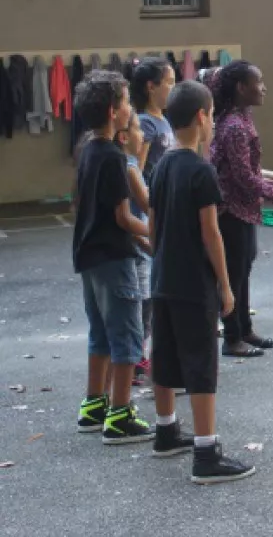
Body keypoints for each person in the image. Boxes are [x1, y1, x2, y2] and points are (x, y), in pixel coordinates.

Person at [149, 79, 256, 484]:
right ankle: (206, 453)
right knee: (201, 363)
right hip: (194, 284)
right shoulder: (201, 170)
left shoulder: (160, 167)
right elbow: (211, 233)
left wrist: (160, 261)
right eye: (211, 114)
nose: (212, 121)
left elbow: (154, 226)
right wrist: (226, 286)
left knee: (165, 354)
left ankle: (165, 430)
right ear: (201, 117)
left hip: (162, 278)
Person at [72, 70, 153, 444]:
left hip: (89, 256)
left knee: (100, 334)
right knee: (128, 337)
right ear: (113, 112)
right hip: (114, 257)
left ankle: (94, 405)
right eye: (125, 102)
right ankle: (120, 415)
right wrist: (156, 233)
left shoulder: (88, 149)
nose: (130, 108)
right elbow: (124, 217)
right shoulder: (115, 158)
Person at [209, 61, 273, 358]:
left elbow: (248, 167)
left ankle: (244, 328)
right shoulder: (235, 126)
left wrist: (272, 175)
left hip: (244, 208)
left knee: (243, 269)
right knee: (234, 273)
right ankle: (232, 337)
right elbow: (243, 177)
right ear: (241, 87)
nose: (263, 87)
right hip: (232, 210)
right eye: (258, 81)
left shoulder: (242, 117)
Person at [119, 112, 154, 385]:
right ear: (124, 136)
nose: (143, 135)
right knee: (141, 305)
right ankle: (134, 359)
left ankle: (136, 356)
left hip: (138, 245)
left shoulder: (130, 164)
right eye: (139, 129)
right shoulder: (127, 167)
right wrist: (152, 240)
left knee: (143, 304)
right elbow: (143, 208)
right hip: (136, 247)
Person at [131, 57, 176, 181]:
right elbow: (137, 171)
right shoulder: (145, 123)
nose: (174, 88)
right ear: (151, 87)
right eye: (170, 82)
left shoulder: (163, 119)